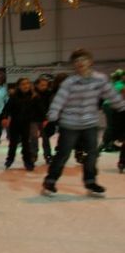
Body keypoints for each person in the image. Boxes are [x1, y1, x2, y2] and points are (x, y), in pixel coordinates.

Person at [42, 49, 125, 197]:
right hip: (69, 124)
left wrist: (122, 107)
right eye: (77, 61)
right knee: (63, 153)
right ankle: (50, 180)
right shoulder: (69, 82)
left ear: (90, 62)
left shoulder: (100, 79)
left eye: (83, 59)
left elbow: (111, 94)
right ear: (74, 64)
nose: (80, 63)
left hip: (90, 123)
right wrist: (52, 116)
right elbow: (59, 100)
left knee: (92, 154)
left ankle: (90, 181)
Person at [1, 77, 39, 171]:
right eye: (23, 84)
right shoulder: (14, 97)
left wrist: (44, 119)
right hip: (15, 123)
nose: (26, 86)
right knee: (13, 143)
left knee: (26, 144)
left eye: (27, 83)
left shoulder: (33, 97)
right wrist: (4, 117)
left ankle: (28, 162)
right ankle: (10, 159)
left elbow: (40, 109)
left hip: (27, 123)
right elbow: (7, 109)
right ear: (18, 86)